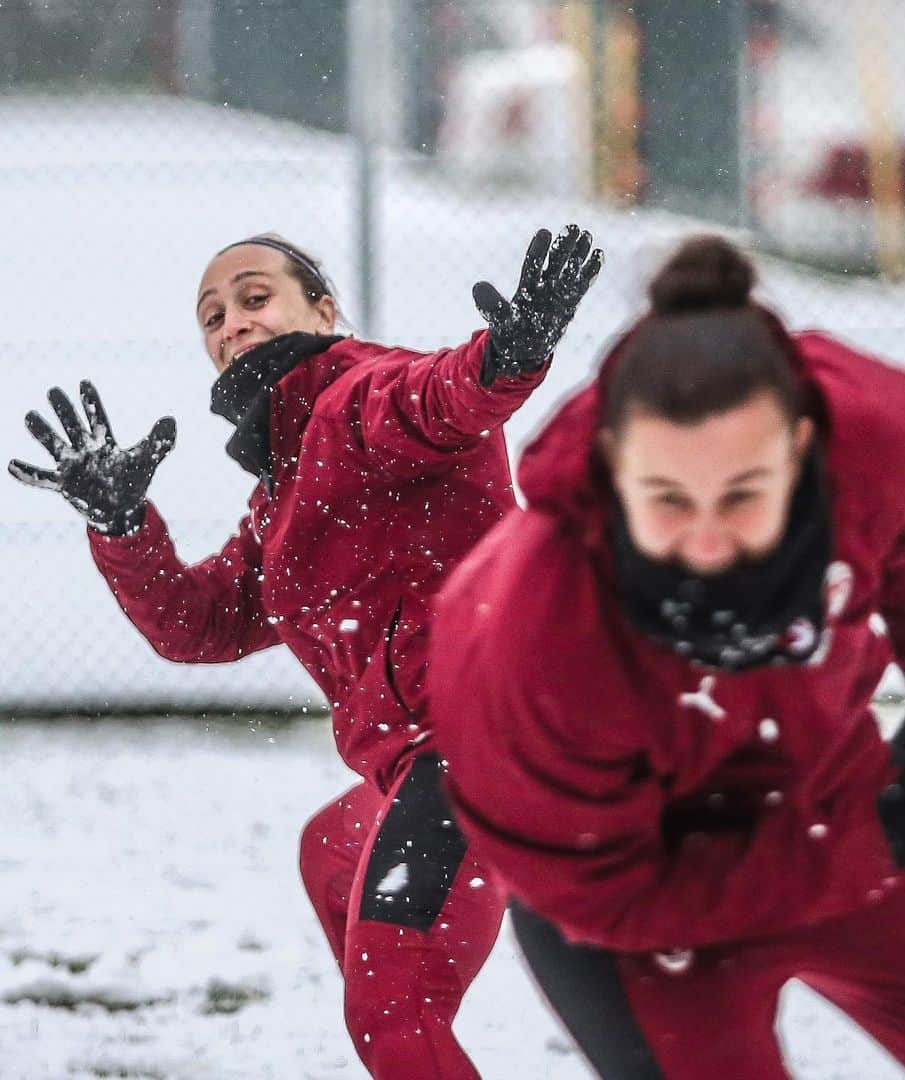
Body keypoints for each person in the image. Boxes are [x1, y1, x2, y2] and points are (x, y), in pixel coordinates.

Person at [428, 235, 905, 1078]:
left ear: (803, 447)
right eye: (666, 499)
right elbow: (601, 892)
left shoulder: (874, 437)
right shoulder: (524, 634)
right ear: (614, 466)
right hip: (648, 903)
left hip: (831, 801)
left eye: (743, 495)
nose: (706, 540)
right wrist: (888, 832)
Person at [9, 226, 603, 1079]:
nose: (232, 325)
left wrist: (508, 353)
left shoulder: (353, 398)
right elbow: (199, 625)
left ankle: (410, 1027)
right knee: (334, 851)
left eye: (255, 297)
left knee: (390, 1007)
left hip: (488, 743)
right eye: (212, 316)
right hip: (433, 760)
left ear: (322, 309)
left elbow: (436, 398)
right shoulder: (283, 489)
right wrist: (121, 525)